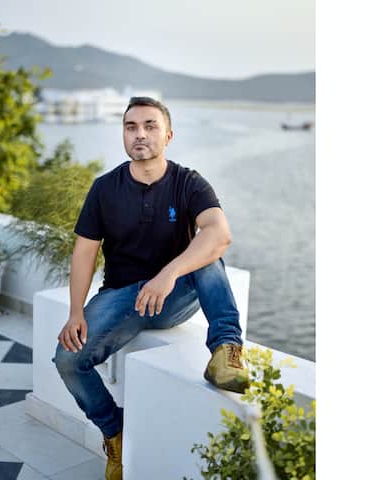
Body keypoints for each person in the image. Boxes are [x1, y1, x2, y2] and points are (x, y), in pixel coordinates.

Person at [53, 97, 249, 480]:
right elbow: (84, 252)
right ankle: (115, 432)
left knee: (208, 255)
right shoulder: (105, 188)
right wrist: (76, 312)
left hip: (173, 296)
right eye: (131, 127)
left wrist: (169, 273)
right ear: (123, 134)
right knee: (67, 360)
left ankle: (226, 350)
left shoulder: (189, 182)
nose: (139, 134)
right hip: (121, 297)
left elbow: (219, 233)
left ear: (168, 135)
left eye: (150, 126)